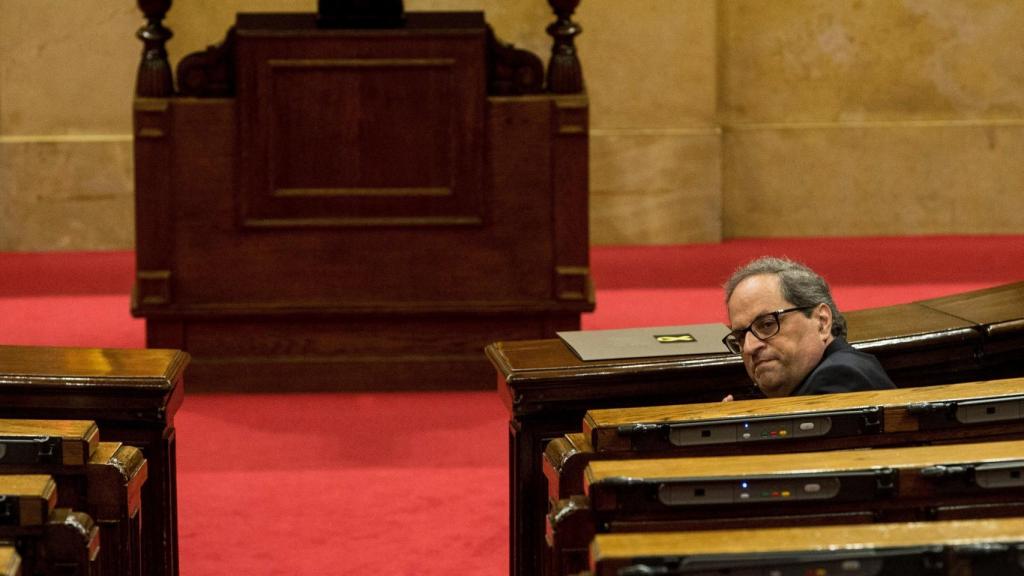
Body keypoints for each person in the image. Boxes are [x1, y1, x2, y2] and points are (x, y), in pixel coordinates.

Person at [721, 256, 895, 400]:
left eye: (767, 324)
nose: (749, 347)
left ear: (822, 321)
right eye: (740, 337)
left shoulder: (839, 380)